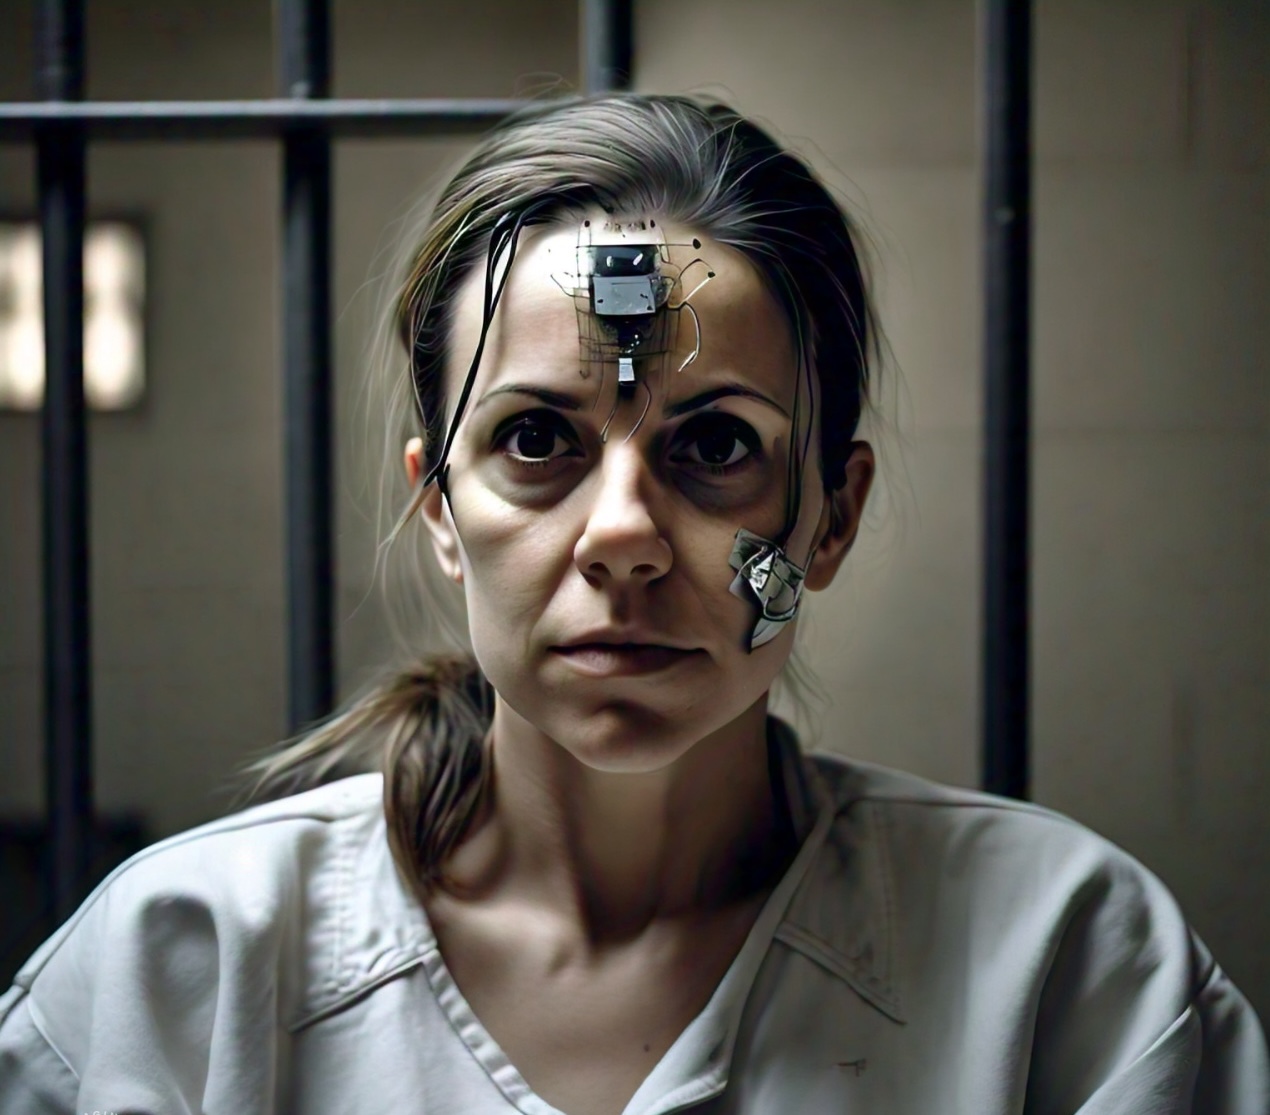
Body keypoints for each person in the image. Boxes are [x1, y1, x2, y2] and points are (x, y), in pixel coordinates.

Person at [0, 93, 1266, 1115]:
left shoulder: (1065, 968)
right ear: (438, 506)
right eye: (535, 439)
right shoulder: (182, 970)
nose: (622, 536)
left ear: (830, 517)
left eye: (715, 445)